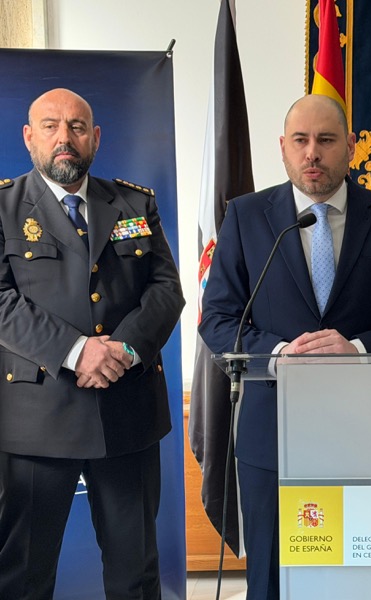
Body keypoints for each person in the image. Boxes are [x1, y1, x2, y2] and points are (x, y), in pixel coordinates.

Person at [198, 93, 371, 599]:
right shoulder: (246, 216)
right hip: (272, 433)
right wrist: (278, 353)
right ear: (282, 147)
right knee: (271, 581)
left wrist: (359, 348)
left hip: (364, 435)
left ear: (350, 147)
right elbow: (217, 318)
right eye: (301, 141)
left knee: (357, 582)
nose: (312, 153)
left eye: (326, 140)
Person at [0, 88, 185, 599]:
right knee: (22, 578)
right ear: (29, 137)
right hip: (36, 424)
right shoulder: (4, 207)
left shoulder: (134, 202)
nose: (65, 137)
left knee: (135, 577)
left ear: (95, 138)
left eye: (77, 126)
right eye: (51, 126)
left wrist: (123, 348)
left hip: (127, 413)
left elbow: (166, 289)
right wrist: (78, 351)